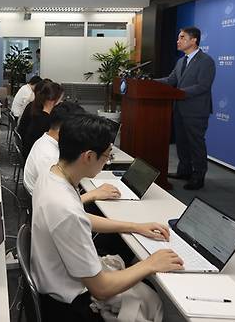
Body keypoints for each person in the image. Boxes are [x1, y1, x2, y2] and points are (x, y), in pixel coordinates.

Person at [31, 114, 184, 320]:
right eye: (107, 155)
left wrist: (135, 226)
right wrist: (150, 264)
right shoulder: (65, 208)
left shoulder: (52, 174)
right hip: (70, 306)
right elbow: (101, 289)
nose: (107, 161)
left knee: (136, 275)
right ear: (88, 156)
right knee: (151, 298)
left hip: (53, 280)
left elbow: (81, 218)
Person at [156, 26, 216, 190]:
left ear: (194, 40)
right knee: (182, 143)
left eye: (182, 37)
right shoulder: (181, 61)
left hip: (196, 110)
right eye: (178, 38)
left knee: (195, 143)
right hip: (180, 109)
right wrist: (150, 82)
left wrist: (179, 93)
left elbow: (203, 86)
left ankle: (198, 176)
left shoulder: (206, 61)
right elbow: (170, 80)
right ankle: (184, 171)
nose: (178, 41)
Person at [23, 102, 121, 200]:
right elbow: (60, 204)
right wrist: (94, 194)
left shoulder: (46, 140)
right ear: (67, 128)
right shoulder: (50, 157)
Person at [19, 81, 64, 157]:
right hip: (34, 155)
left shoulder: (37, 112)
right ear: (52, 101)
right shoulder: (45, 121)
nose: (62, 102)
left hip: (30, 152)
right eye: (60, 100)